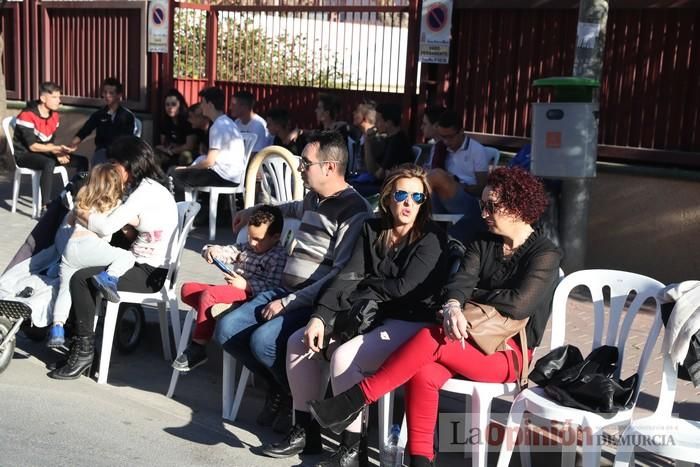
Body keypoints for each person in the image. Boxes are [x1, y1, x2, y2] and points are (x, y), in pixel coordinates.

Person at [307, 167, 563, 467]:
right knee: (424, 372)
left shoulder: (545, 254)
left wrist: (472, 296)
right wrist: (455, 304)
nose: (483, 213)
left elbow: (519, 305)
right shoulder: (483, 242)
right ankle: (421, 461)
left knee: (432, 337)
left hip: (508, 353)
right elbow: (458, 285)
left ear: (518, 206)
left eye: (491, 206)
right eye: (482, 205)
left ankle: (355, 399)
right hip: (465, 338)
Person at [261, 164, 450, 466]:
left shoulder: (431, 238)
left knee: (345, 357)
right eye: (401, 194)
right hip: (370, 314)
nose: (408, 203)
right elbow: (349, 274)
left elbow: (403, 288)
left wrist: (365, 284)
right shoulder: (372, 229)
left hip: (411, 322)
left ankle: (352, 450)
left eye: (417, 197)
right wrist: (320, 316)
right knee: (299, 341)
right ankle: (306, 432)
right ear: (388, 197)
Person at [214, 130, 371, 434]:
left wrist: (288, 302)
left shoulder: (354, 211)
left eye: (305, 163)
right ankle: (282, 388)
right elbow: (292, 209)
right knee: (226, 330)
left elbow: (339, 274)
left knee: (263, 342)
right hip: (282, 290)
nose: (300, 169)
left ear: (329, 167)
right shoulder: (314, 197)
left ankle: (293, 398)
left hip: (310, 302)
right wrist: (253, 213)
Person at [48, 136, 178, 380]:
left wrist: (80, 213)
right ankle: (80, 345)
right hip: (141, 261)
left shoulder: (143, 192)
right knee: (80, 270)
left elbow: (106, 227)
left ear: (128, 164)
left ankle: (84, 352)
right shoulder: (145, 187)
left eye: (114, 162)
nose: (110, 167)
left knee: (79, 278)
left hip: (150, 271)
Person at [172, 205, 287, 372]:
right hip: (233, 292)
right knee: (187, 289)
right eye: (250, 237)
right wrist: (212, 251)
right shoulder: (247, 247)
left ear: (275, 237)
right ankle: (210, 314)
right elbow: (230, 251)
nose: (252, 242)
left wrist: (247, 286)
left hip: (251, 298)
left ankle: (198, 346)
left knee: (209, 295)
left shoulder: (278, 256)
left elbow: (273, 287)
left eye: (258, 239)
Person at [47, 164, 137, 348]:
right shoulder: (116, 205)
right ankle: (108, 277)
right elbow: (131, 225)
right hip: (93, 246)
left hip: (71, 248)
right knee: (127, 257)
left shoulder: (83, 199)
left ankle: (57, 328)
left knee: (64, 291)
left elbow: (70, 222)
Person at [13, 81, 88, 214]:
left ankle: (78, 200)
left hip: (46, 153)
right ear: (43, 98)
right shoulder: (26, 115)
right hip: (25, 155)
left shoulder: (54, 116)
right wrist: (56, 150)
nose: (58, 101)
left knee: (82, 161)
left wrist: (59, 152)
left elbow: (49, 143)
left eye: (59, 97)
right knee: (49, 162)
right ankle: (45, 206)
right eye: (54, 97)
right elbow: (33, 147)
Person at [428, 110, 489, 244]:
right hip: (442, 197)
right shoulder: (440, 148)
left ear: (461, 131)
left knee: (436, 175)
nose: (446, 141)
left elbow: (482, 188)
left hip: (470, 202)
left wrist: (460, 186)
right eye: (442, 137)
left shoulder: (476, 150)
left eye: (450, 137)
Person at [171, 87, 245, 191]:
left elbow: (209, 162)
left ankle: (183, 206)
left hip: (223, 176)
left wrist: (187, 169)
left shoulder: (217, 126)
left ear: (209, 104)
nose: (201, 106)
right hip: (233, 176)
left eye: (202, 102)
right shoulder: (228, 122)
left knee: (174, 174)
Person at [70, 77, 136, 165]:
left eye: (111, 93)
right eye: (105, 92)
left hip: (120, 153)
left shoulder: (127, 115)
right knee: (100, 163)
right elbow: (85, 130)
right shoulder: (99, 114)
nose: (107, 96)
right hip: (102, 151)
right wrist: (72, 144)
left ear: (119, 95)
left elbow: (128, 139)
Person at [156, 89, 197, 170]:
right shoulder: (164, 122)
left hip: (185, 153)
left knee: (185, 156)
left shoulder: (188, 121)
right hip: (171, 151)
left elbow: (189, 146)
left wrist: (173, 150)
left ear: (180, 105)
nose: (170, 107)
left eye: (173, 104)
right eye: (167, 105)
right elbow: (164, 143)